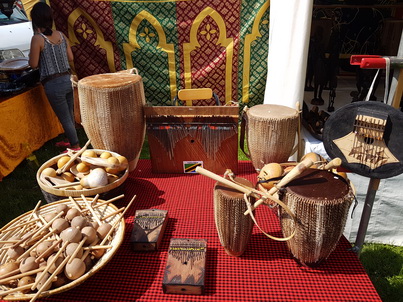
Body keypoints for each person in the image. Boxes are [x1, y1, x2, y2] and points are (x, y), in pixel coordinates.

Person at [28, 2, 80, 151]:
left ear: (35, 20)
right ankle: (69, 140)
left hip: (53, 83)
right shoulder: (61, 35)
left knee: (64, 117)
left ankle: (75, 146)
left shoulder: (37, 38)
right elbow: (70, 58)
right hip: (68, 79)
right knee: (68, 114)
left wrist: (32, 55)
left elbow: (33, 64)